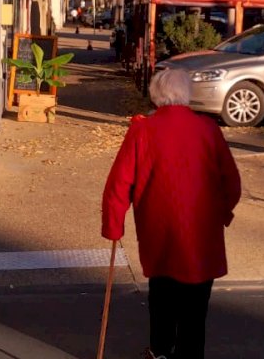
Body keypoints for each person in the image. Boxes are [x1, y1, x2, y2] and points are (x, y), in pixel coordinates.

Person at [101, 69, 242, 359]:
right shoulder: (208, 129)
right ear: (186, 94)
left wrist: (113, 226)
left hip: (160, 231)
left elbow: (118, 184)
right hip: (203, 234)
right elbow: (232, 183)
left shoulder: (142, 130)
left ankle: (159, 352)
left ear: (156, 96)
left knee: (162, 297)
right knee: (195, 308)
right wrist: (222, 214)